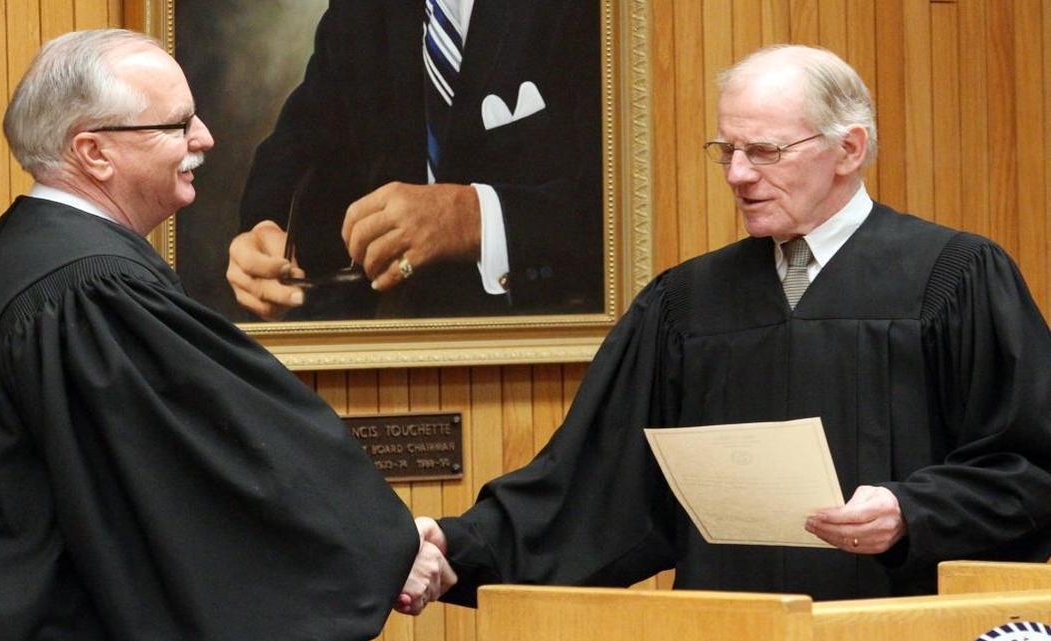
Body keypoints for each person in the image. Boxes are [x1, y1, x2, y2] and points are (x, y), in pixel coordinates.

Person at [395, 44, 1051, 612]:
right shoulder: (686, 305)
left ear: (848, 149)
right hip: (729, 622)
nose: (738, 175)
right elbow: (594, 481)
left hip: (898, 621)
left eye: (764, 151)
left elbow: (1029, 468)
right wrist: (460, 544)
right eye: (727, 150)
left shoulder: (952, 277)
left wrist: (913, 512)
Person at [0, 29, 445, 641]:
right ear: (94, 152)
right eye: (177, 124)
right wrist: (382, 547)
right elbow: (196, 478)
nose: (204, 138)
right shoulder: (92, 292)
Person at [226, 0, 603, 320]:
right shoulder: (360, 11)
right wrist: (264, 231)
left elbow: (627, 207)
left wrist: (474, 218)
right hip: (398, 349)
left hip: (558, 346)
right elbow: (298, 146)